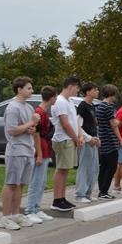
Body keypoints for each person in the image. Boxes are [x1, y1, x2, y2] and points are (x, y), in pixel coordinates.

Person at [0, 77, 37, 230]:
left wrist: (31, 128)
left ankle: (16, 214)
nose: (31, 91)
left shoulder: (28, 107)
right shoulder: (13, 107)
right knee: (11, 183)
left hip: (28, 149)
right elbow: (12, 130)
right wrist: (30, 123)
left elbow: (28, 128)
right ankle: (5, 216)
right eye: (28, 88)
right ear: (19, 89)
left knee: (21, 184)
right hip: (16, 150)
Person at [49, 76, 82, 212]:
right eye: (76, 88)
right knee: (61, 169)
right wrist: (75, 137)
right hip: (63, 139)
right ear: (70, 86)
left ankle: (62, 198)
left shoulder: (69, 101)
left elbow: (74, 122)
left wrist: (79, 135)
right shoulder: (60, 101)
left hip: (70, 139)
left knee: (65, 169)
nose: (77, 91)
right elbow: (65, 123)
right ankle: (57, 199)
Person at [25, 86, 56, 223]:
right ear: (52, 98)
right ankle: (30, 209)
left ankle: (36, 208)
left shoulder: (43, 112)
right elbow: (36, 134)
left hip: (45, 148)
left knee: (41, 181)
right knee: (36, 181)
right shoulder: (39, 112)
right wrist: (39, 154)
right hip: (41, 148)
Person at [74, 82, 100, 203]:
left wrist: (96, 138)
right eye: (95, 89)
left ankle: (88, 193)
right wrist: (88, 138)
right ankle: (80, 194)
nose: (97, 91)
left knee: (94, 168)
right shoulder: (83, 106)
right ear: (88, 92)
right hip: (86, 141)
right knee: (85, 167)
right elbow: (78, 125)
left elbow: (93, 124)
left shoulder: (92, 106)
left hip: (93, 140)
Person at [95, 84, 121, 200]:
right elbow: (114, 125)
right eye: (115, 94)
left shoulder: (99, 106)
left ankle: (101, 189)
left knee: (104, 166)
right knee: (112, 166)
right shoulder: (109, 107)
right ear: (111, 94)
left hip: (103, 138)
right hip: (110, 139)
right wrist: (120, 139)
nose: (116, 97)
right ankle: (104, 191)